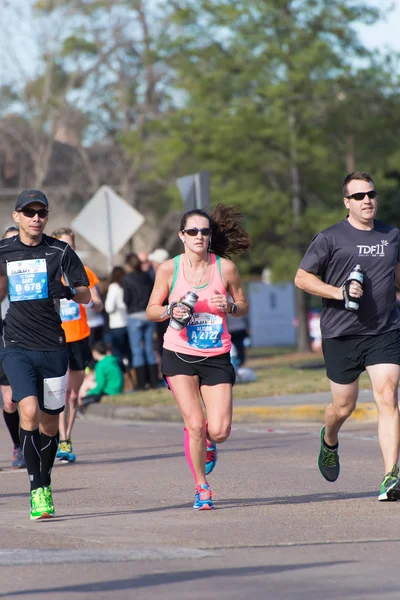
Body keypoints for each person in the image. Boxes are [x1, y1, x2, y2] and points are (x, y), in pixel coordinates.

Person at [294, 171, 400, 501]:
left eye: (370, 194)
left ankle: (390, 477)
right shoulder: (330, 238)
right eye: (358, 196)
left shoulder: (392, 234)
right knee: (343, 406)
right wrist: (338, 293)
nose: (366, 200)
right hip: (341, 333)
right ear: (346, 202)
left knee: (387, 394)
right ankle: (329, 438)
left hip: (384, 329)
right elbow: (301, 278)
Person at [146, 204, 251, 510]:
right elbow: (151, 310)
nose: (199, 236)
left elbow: (243, 304)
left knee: (218, 430)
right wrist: (170, 309)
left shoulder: (225, 268)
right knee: (195, 423)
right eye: (192, 231)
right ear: (182, 235)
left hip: (216, 354)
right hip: (178, 352)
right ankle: (201, 486)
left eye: (204, 231)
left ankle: (208, 444)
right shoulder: (169, 269)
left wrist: (230, 306)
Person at [0, 190, 90, 519]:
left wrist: (66, 290)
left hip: (53, 345)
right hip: (16, 345)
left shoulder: (60, 250)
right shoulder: (4, 251)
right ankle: (36, 487)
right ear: (17, 216)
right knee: (27, 410)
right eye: (29, 212)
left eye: (41, 212)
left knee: (50, 423)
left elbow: (86, 294)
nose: (36, 217)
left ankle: (46, 480)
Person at [51, 227, 103, 463]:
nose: (68, 249)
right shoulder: (49, 271)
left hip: (80, 338)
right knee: (59, 394)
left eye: (70, 244)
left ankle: (67, 436)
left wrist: (92, 304)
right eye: (63, 244)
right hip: (56, 339)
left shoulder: (84, 271)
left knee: (73, 395)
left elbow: (98, 303)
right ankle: (60, 439)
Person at [0, 225, 25, 468]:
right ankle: (19, 446)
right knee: (8, 401)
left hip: (21, 334)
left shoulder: (29, 271)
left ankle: (26, 443)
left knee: (17, 400)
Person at [123, 252, 158, 390]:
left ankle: (142, 383)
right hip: (148, 314)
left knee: (137, 350)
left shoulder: (126, 279)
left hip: (134, 315)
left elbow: (126, 299)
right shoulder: (147, 276)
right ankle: (154, 381)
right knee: (150, 349)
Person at [80, 341, 124, 407]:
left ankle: (78, 403)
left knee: (86, 383)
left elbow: (100, 384)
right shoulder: (112, 359)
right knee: (88, 382)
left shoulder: (100, 365)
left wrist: (88, 393)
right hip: (118, 389)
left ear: (95, 352)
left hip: (109, 391)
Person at [104, 266, 132, 372]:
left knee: (117, 353)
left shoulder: (113, 287)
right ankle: (133, 376)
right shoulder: (126, 286)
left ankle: (121, 376)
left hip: (116, 324)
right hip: (128, 322)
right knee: (129, 352)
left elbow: (108, 307)